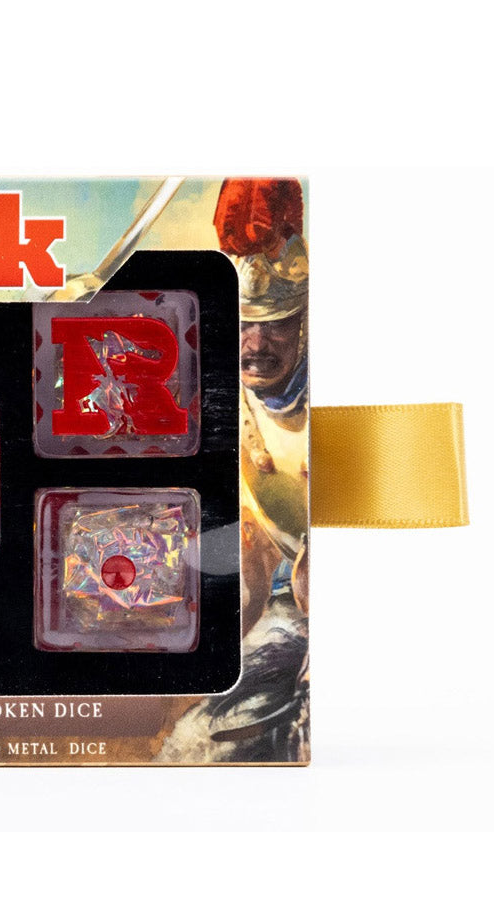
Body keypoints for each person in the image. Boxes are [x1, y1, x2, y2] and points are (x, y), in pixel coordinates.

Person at [214, 178, 310, 623]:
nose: (255, 344)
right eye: (242, 325)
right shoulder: (216, 386)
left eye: (275, 323)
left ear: (302, 323)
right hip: (262, 544)